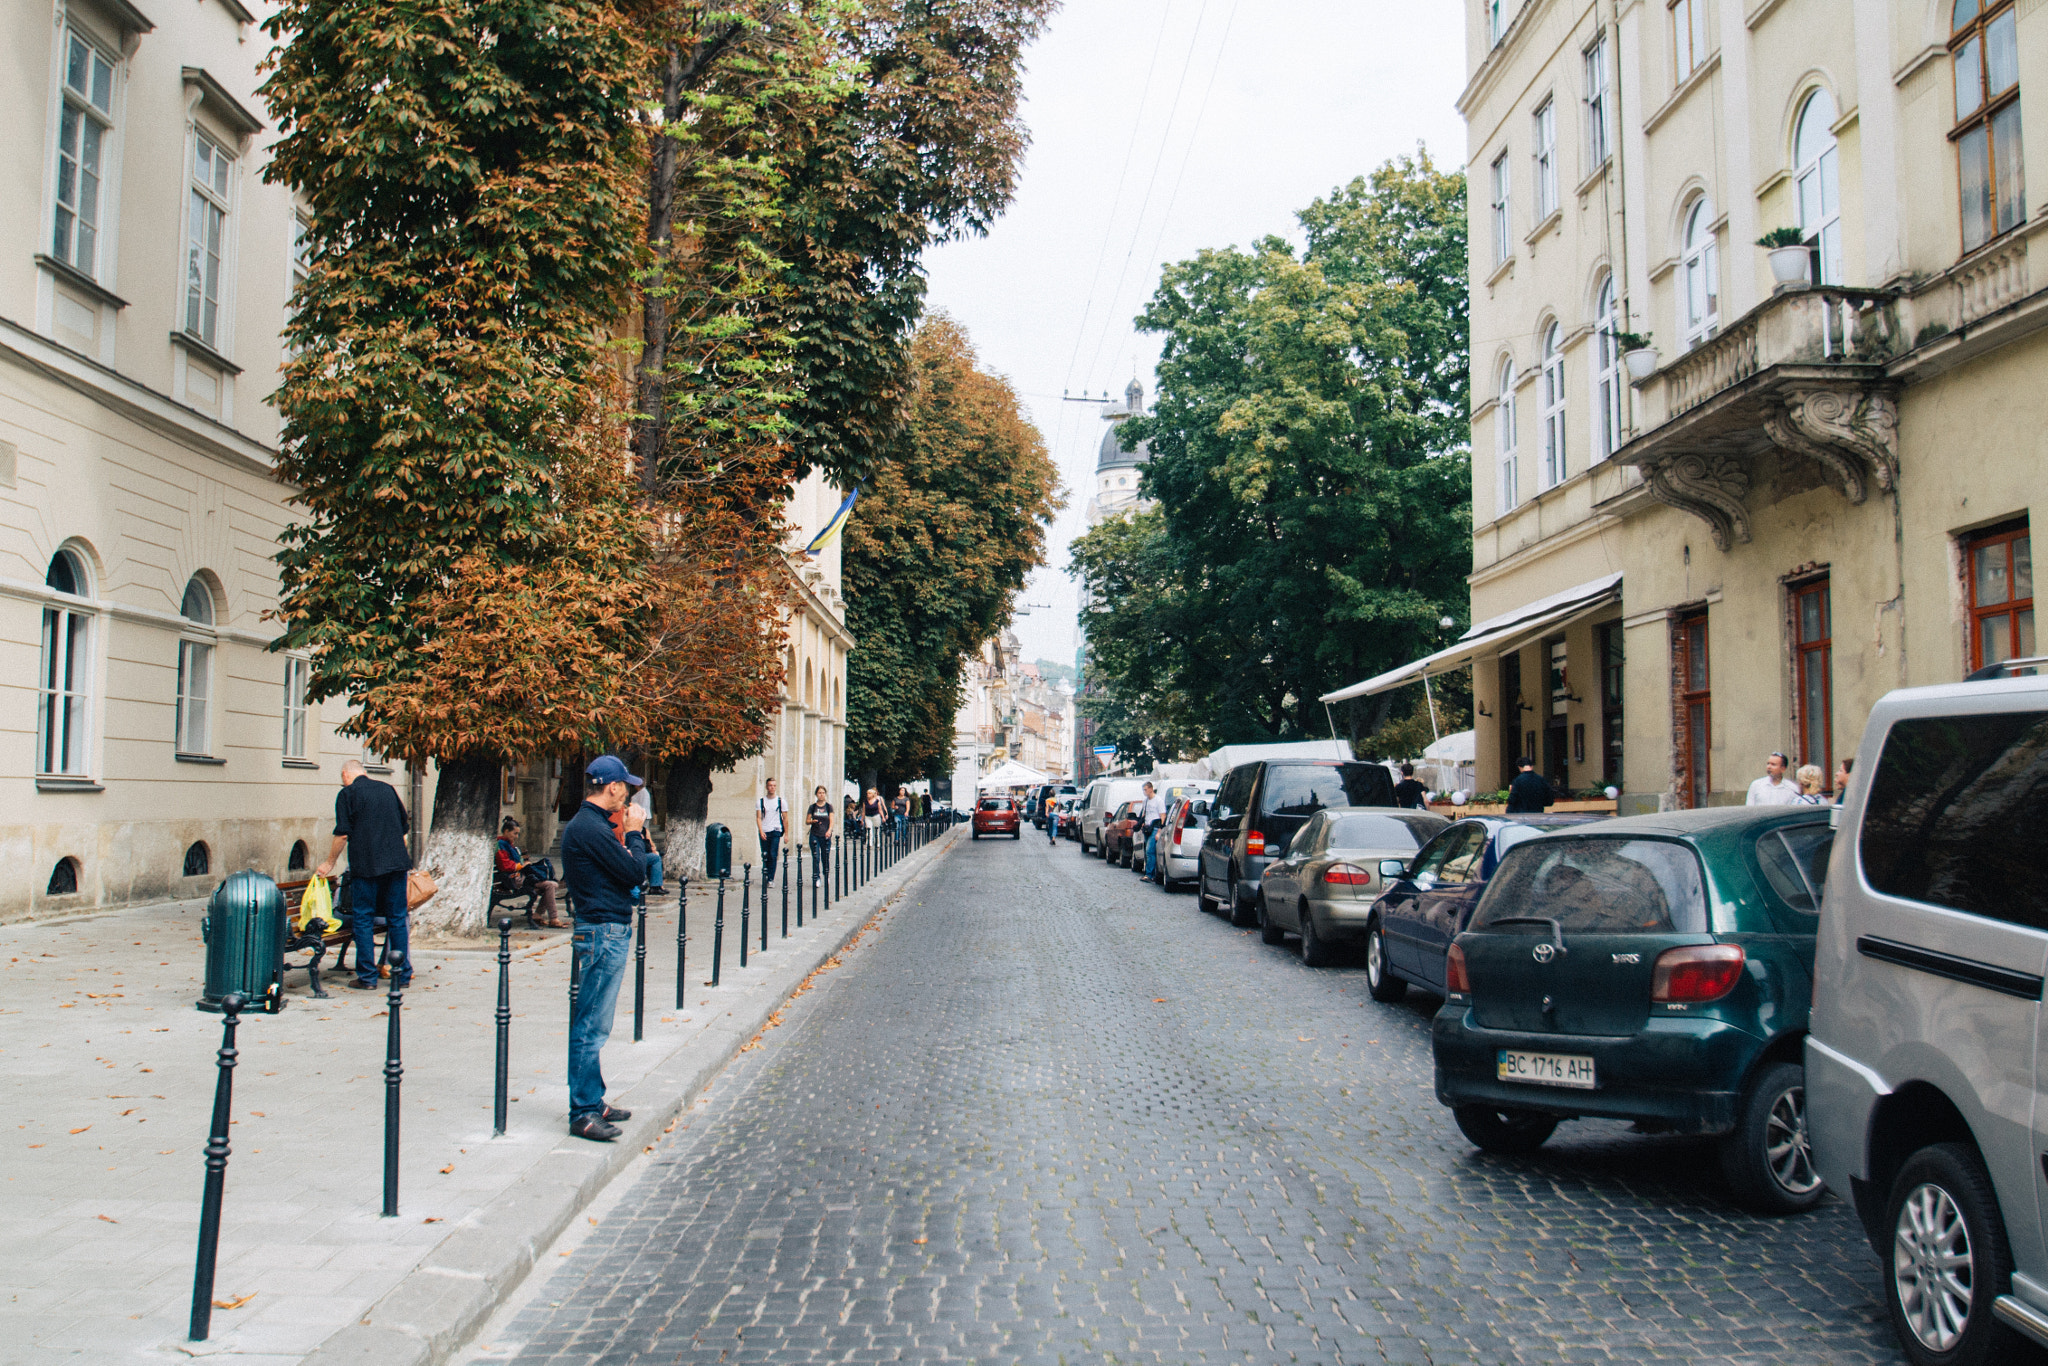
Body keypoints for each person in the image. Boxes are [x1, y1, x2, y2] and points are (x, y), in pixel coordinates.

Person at [561, 755, 653, 1142]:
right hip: (601, 932)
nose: (629, 795)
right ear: (612, 786)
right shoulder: (590, 828)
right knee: (591, 1025)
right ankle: (583, 1111)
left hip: (604, 929)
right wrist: (633, 832)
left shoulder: (591, 825)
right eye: (626, 787)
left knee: (595, 1022)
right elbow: (635, 871)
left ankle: (592, 1099)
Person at [316, 759, 413, 991]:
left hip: (366, 866)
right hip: (396, 865)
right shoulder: (388, 789)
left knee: (363, 919)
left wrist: (329, 863)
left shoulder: (348, 794)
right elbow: (403, 828)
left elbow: (342, 835)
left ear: (344, 775)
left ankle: (368, 978)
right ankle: (403, 974)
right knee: (397, 918)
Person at [496, 817, 563, 928]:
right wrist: (521, 866)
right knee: (551, 885)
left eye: (518, 834)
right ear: (506, 831)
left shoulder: (509, 845)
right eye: (515, 833)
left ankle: (538, 915)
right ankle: (552, 918)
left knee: (552, 884)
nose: (516, 837)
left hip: (521, 877)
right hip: (514, 879)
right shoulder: (501, 845)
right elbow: (504, 865)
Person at [756, 778, 789, 885]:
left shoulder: (781, 801)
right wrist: (761, 831)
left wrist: (786, 834)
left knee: (773, 854)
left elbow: (785, 818)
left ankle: (770, 878)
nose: (772, 788)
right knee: (765, 855)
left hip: (775, 830)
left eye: (774, 785)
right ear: (766, 787)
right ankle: (765, 874)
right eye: (770, 785)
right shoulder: (761, 801)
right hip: (765, 830)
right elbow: (758, 817)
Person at [1136, 781, 1166, 879]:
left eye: (1145, 790)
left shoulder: (1158, 801)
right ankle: (1151, 873)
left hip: (1155, 827)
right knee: (1147, 851)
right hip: (1147, 828)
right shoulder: (1146, 801)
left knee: (1150, 850)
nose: (1144, 792)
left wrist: (1159, 831)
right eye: (1143, 790)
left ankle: (1149, 874)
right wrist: (1142, 823)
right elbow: (1144, 814)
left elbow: (1163, 816)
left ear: (1151, 789)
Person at [806, 785, 834, 873]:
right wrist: (812, 821)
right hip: (815, 834)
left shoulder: (829, 807)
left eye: (823, 793)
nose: (821, 795)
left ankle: (826, 874)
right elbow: (807, 821)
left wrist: (829, 830)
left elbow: (831, 820)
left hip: (825, 835)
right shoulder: (813, 807)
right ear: (816, 794)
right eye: (819, 793)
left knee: (825, 857)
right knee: (816, 857)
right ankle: (816, 876)